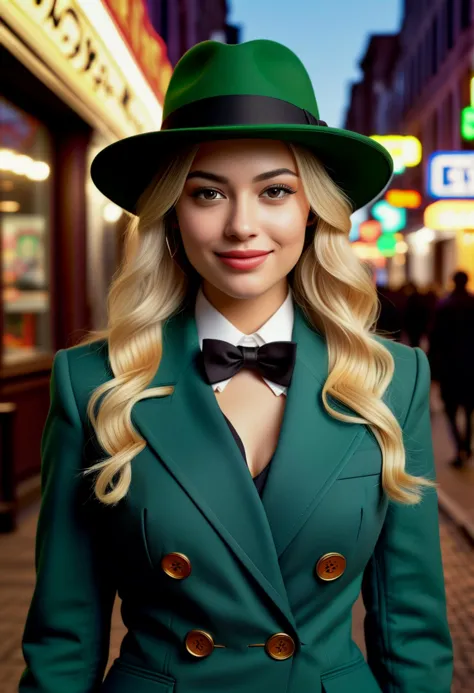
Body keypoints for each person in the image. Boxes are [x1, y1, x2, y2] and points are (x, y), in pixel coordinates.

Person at [19, 39, 453, 693]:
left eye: (275, 190)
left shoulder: (391, 379)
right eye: (208, 193)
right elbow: (64, 638)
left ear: (313, 212)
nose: (242, 225)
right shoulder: (93, 383)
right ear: (170, 215)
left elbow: (413, 635)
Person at [428, 270, 474, 469]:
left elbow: (435, 339)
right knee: (470, 410)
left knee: (450, 410)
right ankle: (467, 444)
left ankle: (459, 447)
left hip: (450, 367)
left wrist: (432, 369)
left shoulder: (444, 306)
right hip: (472, 365)